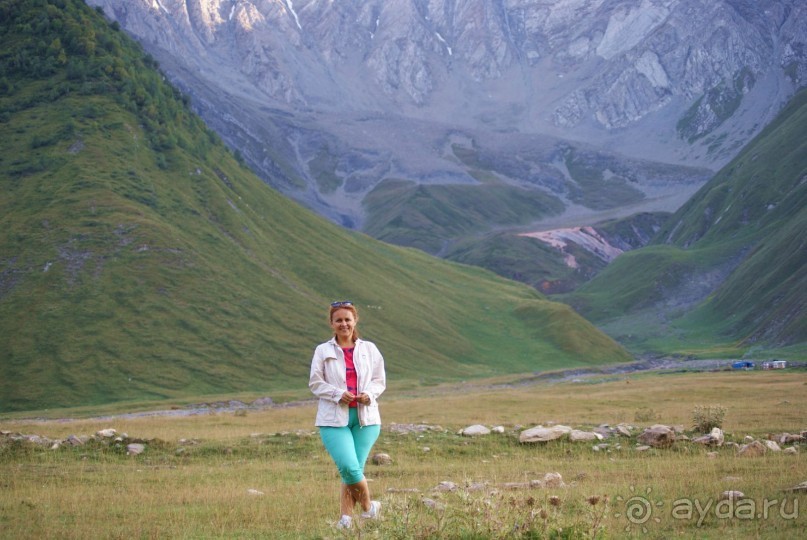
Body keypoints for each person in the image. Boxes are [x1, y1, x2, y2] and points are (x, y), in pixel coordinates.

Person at [309, 301, 387, 530]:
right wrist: (336, 394)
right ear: (332, 324)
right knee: (349, 467)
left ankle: (345, 520)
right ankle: (370, 508)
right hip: (333, 419)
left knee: (352, 470)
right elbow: (315, 382)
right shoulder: (322, 351)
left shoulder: (370, 349)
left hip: (366, 420)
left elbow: (379, 381)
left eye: (347, 319)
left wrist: (369, 395)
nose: (343, 324)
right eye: (338, 320)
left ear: (355, 321)